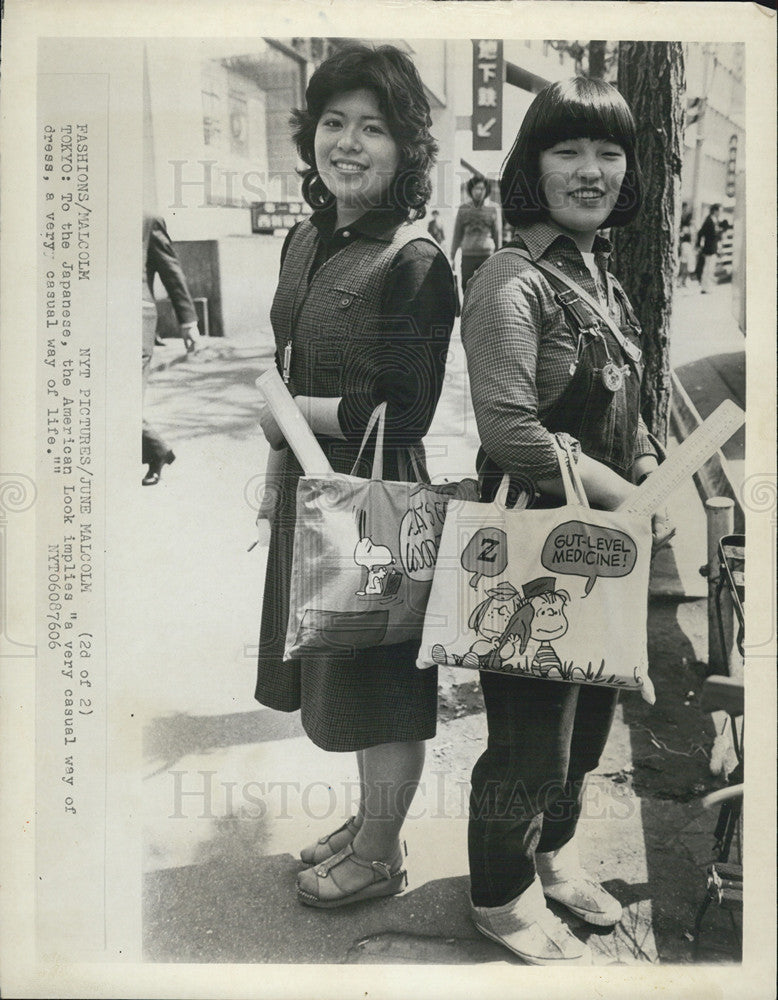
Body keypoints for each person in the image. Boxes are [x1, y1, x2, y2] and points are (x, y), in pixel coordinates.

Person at [461, 76, 673, 965]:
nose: (592, 171)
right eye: (567, 149)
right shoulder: (511, 281)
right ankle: (498, 898)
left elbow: (636, 409)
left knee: (587, 725)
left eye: (610, 152)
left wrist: (654, 469)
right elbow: (511, 429)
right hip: (529, 552)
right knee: (526, 742)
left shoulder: (605, 276)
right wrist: (631, 503)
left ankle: (554, 857)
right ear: (530, 167)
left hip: (606, 550)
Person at [254, 44, 457, 909]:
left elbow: (402, 411)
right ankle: (372, 824)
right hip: (313, 487)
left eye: (373, 127)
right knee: (343, 665)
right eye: (333, 122)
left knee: (381, 679)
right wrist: (276, 471)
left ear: (406, 150)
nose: (348, 142)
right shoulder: (306, 237)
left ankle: (379, 853)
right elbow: (286, 355)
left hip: (377, 504)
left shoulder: (417, 260)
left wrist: (292, 413)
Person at [142, 215, 199, 485]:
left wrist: (188, 321)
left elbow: (170, 269)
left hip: (135, 321)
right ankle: (156, 451)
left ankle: (155, 450)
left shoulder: (146, 219)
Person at [450, 174, 502, 291]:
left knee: (487, 289)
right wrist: (452, 257)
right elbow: (457, 235)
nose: (478, 192)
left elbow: (497, 234)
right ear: (470, 190)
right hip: (468, 255)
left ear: (486, 190)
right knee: (466, 287)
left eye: (481, 188)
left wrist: (499, 256)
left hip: (487, 256)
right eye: (475, 188)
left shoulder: (494, 208)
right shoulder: (463, 208)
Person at [696, 203, 721, 292]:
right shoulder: (709, 220)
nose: (720, 213)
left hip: (712, 248)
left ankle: (707, 287)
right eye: (719, 211)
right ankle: (705, 287)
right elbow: (700, 233)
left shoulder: (714, 220)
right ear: (715, 211)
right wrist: (698, 245)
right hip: (709, 248)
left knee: (710, 268)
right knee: (707, 268)